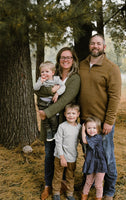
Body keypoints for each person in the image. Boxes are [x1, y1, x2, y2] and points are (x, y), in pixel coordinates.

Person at [79, 33, 121, 200]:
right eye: (92, 43)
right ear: (89, 46)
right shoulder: (81, 65)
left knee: (107, 157)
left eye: (98, 44)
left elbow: (115, 97)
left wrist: (109, 121)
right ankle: (89, 184)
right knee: (89, 156)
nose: (95, 46)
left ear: (104, 47)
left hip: (103, 124)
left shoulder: (111, 68)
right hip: (85, 123)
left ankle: (109, 189)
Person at [35, 47, 80, 200]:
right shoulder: (51, 74)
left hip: (65, 123)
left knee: (64, 155)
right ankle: (49, 186)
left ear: (73, 59)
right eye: (62, 57)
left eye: (68, 57)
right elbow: (38, 91)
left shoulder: (75, 78)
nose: (65, 60)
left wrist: (46, 111)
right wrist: (51, 91)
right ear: (59, 60)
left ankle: (63, 185)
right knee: (49, 154)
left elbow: (66, 99)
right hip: (48, 122)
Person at [52, 103, 81, 200]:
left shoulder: (79, 127)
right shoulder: (62, 127)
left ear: (78, 114)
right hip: (60, 156)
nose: (71, 116)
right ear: (64, 114)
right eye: (68, 113)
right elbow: (58, 142)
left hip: (72, 157)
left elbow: (82, 140)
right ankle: (56, 192)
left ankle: (70, 193)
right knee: (58, 175)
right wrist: (62, 157)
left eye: (73, 113)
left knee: (70, 176)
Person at [34, 61, 66, 141]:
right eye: (42, 72)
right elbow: (35, 88)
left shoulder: (56, 79)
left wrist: (57, 93)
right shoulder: (41, 80)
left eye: (47, 71)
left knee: (53, 118)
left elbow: (63, 86)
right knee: (44, 119)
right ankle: (49, 132)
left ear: (52, 72)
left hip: (51, 103)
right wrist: (41, 82)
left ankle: (54, 131)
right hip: (42, 103)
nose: (44, 73)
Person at [81, 116, 107, 200]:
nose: (91, 130)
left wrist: (82, 129)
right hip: (91, 163)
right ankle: (84, 195)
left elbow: (84, 141)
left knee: (98, 184)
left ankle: (98, 197)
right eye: (89, 128)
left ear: (98, 129)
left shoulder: (97, 137)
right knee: (88, 181)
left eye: (94, 128)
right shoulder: (89, 137)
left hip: (99, 163)